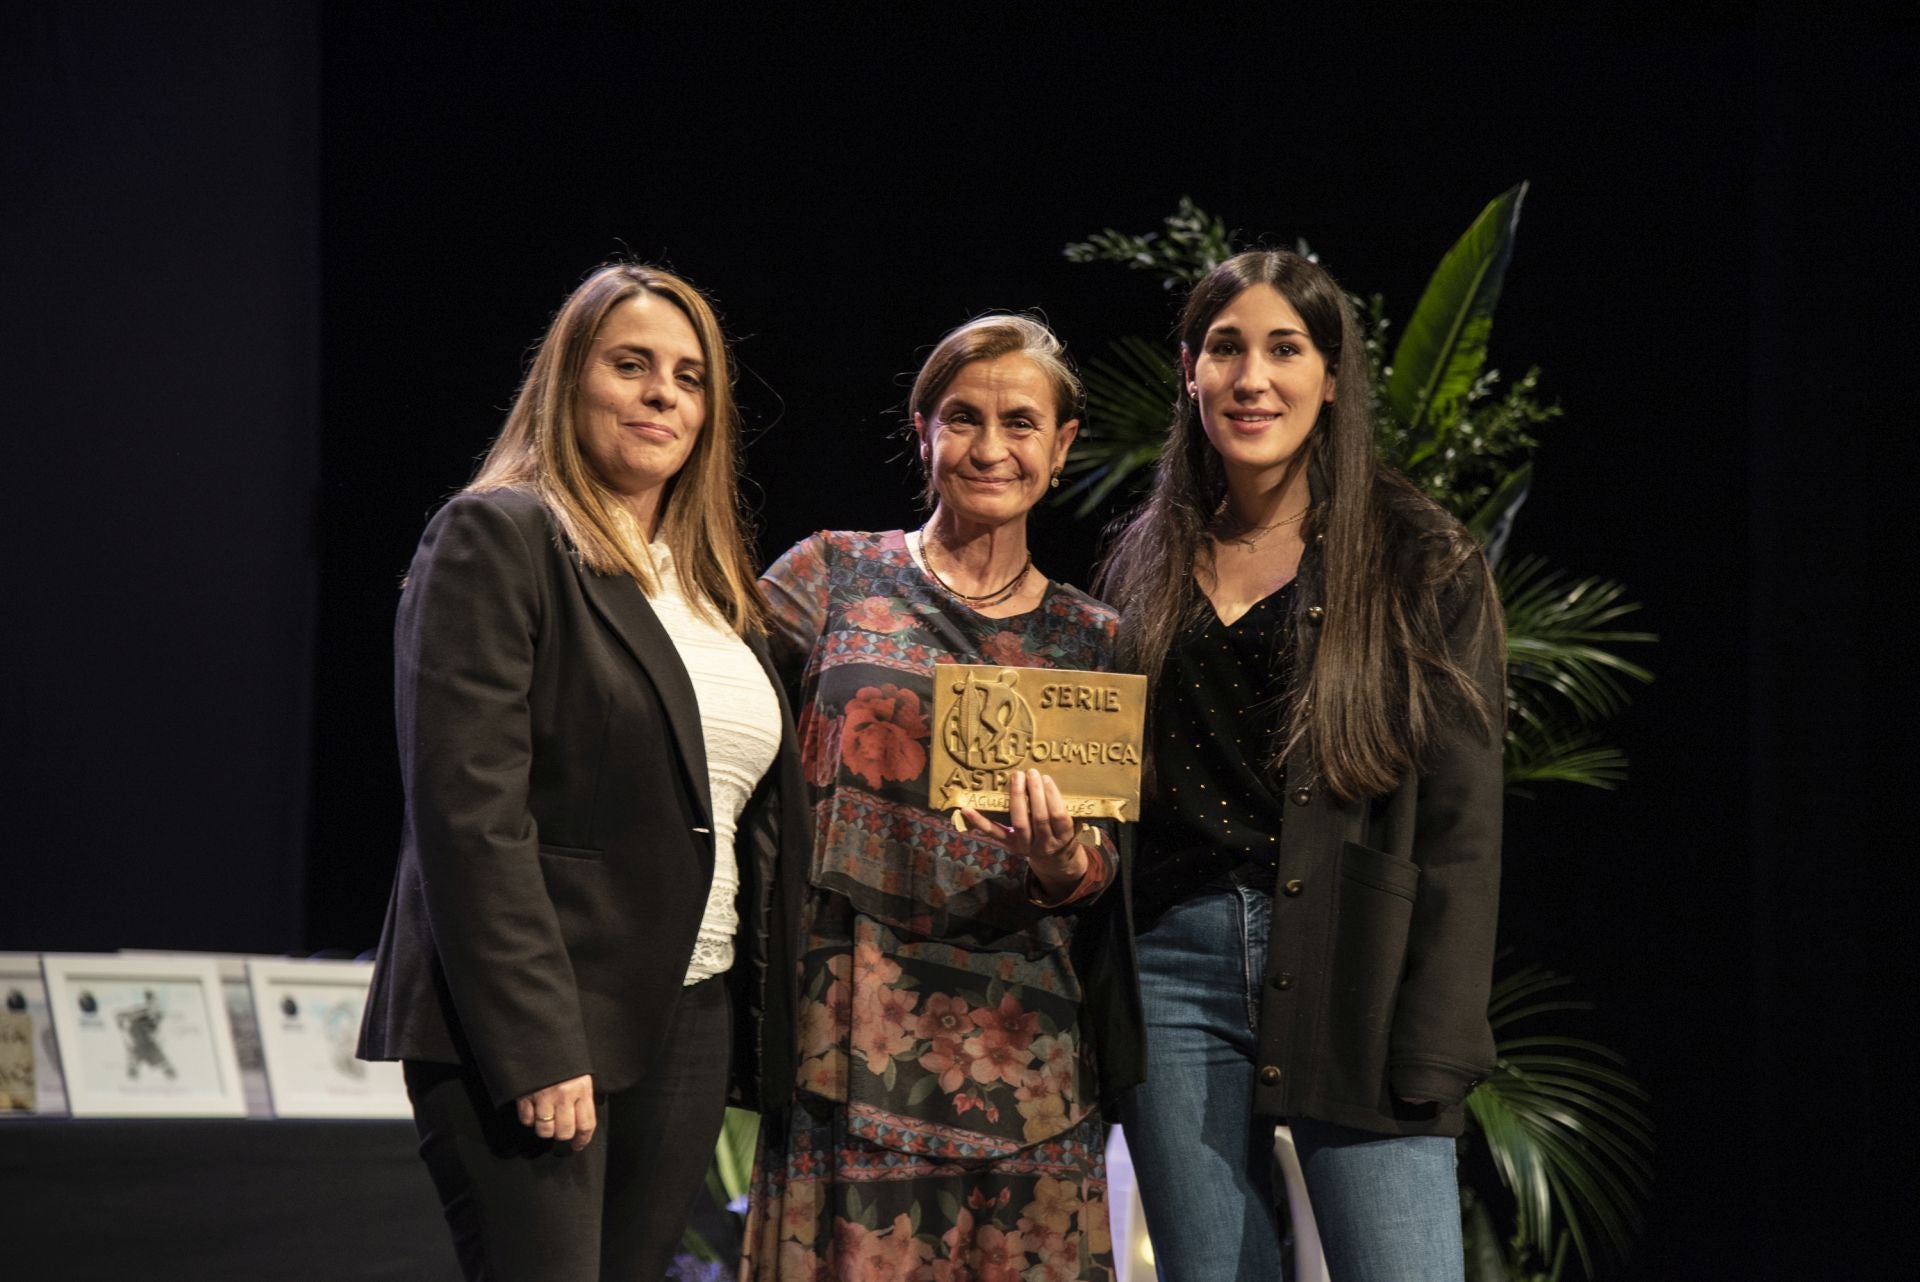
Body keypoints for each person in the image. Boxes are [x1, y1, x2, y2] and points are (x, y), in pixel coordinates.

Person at [357, 263, 808, 1282]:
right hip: (538, 1021)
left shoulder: (715, 592)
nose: (663, 394)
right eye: (632, 364)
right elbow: (471, 814)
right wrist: (538, 1041)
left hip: (689, 1013)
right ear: (569, 382)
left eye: (690, 377)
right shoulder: (501, 536)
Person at [1092, 249, 1506, 1281]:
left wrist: (1435, 1040)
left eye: (1286, 348)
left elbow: (1462, 826)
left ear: (1332, 376)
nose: (1252, 378)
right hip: (1172, 971)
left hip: (1352, 958)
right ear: (1190, 371)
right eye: (1225, 349)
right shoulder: (1144, 563)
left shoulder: (1421, 558)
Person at [742, 315, 1123, 1281]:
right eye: (963, 418)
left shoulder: (1098, 640)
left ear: (1063, 443)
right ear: (923, 432)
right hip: (848, 1036)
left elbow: (1112, 869)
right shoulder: (829, 577)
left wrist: (1062, 862)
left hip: (1028, 1064)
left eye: (1021, 423)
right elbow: (709, 713)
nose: (991, 448)